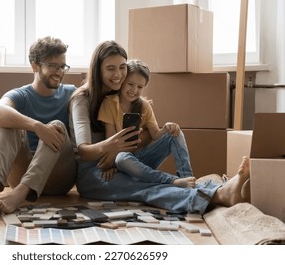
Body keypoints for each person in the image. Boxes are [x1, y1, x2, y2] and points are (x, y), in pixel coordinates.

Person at [68, 40, 250, 214]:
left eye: (122, 67)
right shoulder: (81, 99)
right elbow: (84, 152)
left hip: (124, 161)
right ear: (97, 69)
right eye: (110, 68)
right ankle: (219, 193)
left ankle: (194, 183)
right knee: (145, 189)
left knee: (172, 135)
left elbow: (144, 137)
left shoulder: (123, 92)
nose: (118, 75)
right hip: (96, 172)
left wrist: (158, 133)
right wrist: (113, 146)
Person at [0, 36, 77, 215]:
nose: (59, 72)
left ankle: (19, 195)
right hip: (23, 174)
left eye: (62, 66)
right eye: (53, 66)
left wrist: (47, 128)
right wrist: (37, 126)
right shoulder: (22, 95)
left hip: (60, 176)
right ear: (35, 65)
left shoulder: (71, 92)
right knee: (6, 123)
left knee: (56, 125)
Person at [97, 58, 196, 187]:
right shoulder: (109, 103)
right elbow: (110, 141)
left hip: (143, 158)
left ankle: (188, 179)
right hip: (123, 160)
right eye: (130, 84)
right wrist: (109, 166)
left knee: (176, 133)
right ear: (122, 81)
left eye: (140, 87)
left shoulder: (144, 106)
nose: (134, 90)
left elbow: (156, 135)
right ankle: (171, 181)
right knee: (122, 158)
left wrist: (167, 128)